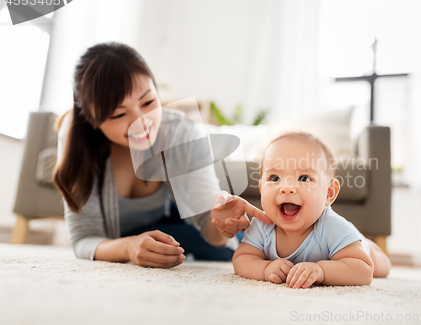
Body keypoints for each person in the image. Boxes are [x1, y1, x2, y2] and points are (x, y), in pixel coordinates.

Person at [53, 42, 271, 268]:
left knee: (238, 248)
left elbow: (211, 226)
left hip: (173, 220)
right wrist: (128, 247)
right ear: (90, 118)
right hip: (123, 237)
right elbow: (83, 240)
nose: (141, 122)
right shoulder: (76, 140)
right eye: (118, 114)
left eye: (148, 102)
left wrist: (222, 222)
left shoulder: (180, 131)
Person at [232, 131, 391, 288]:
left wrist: (321, 270)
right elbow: (242, 259)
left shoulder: (332, 227)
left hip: (354, 245)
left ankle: (369, 244)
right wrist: (265, 269)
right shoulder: (262, 225)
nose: (286, 188)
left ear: (329, 192)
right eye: (274, 178)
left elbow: (363, 270)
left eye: (304, 178)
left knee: (381, 267)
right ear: (261, 188)